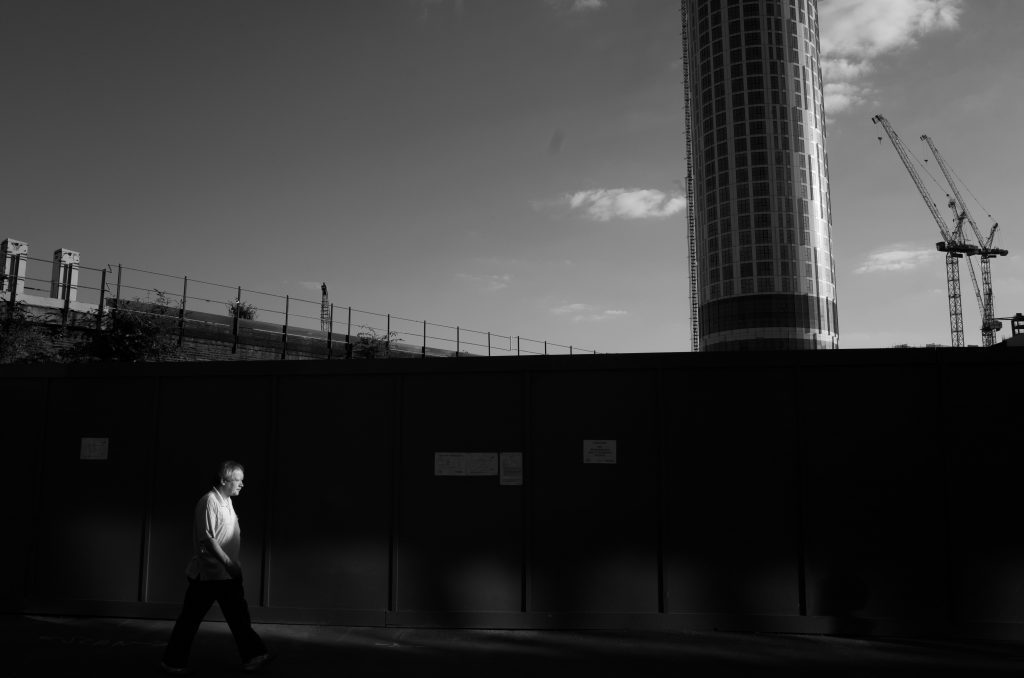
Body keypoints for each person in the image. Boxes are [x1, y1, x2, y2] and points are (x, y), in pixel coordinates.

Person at [161, 461, 273, 675]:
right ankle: (172, 662)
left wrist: (231, 567)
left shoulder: (227, 501)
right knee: (190, 621)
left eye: (242, 480)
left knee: (238, 617)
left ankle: (254, 655)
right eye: (237, 480)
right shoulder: (209, 501)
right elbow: (207, 540)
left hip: (225, 575)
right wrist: (229, 564)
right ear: (223, 480)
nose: (242, 484)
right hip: (209, 576)